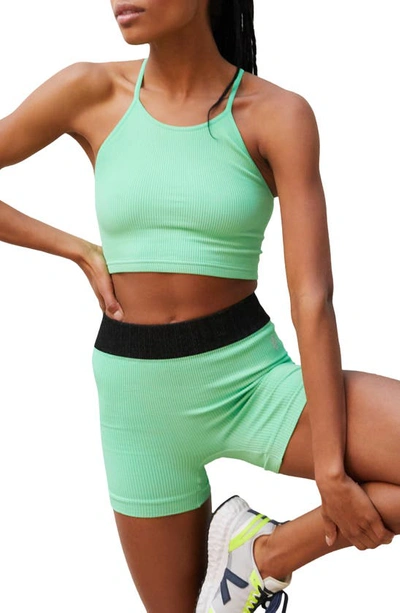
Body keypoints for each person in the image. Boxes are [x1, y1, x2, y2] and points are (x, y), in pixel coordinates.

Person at [0, 1, 399, 611]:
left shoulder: (278, 114)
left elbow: (312, 298)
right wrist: (76, 249)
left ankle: (266, 555)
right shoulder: (90, 90)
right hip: (139, 405)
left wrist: (331, 474)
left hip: (252, 382)